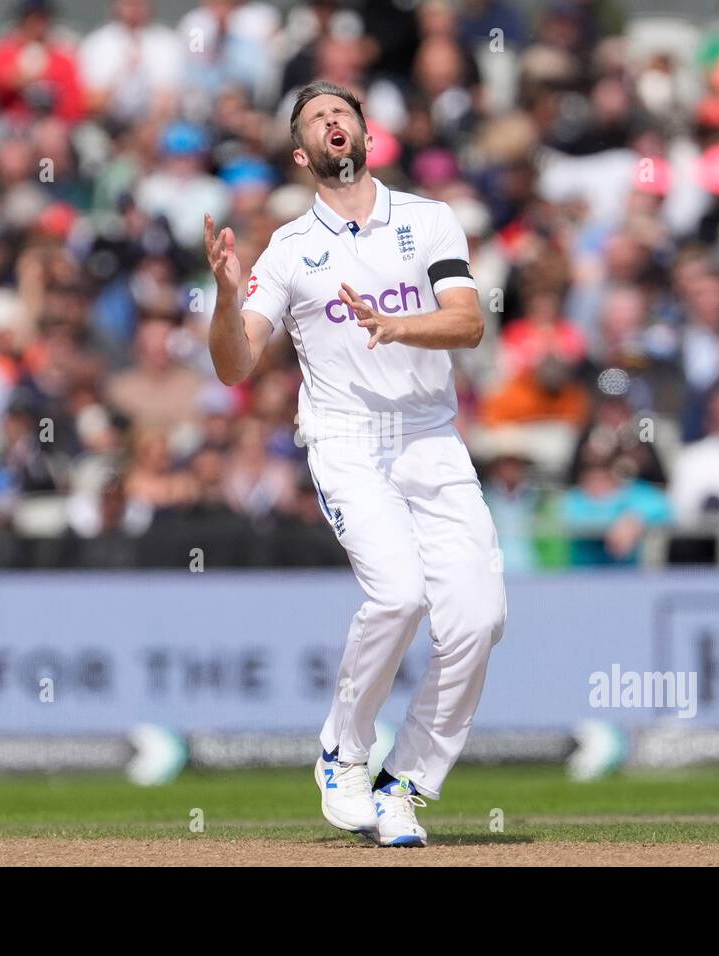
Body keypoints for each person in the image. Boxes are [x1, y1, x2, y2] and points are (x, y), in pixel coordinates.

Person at [204, 80, 506, 847]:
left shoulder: (430, 218)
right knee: (401, 595)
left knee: (479, 618)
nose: (334, 122)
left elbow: (468, 323)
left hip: (431, 436)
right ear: (304, 154)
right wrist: (223, 295)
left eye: (344, 112)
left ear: (367, 133)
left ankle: (402, 782)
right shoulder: (289, 249)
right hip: (346, 438)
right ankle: (344, 747)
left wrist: (398, 327)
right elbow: (236, 367)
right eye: (317, 119)